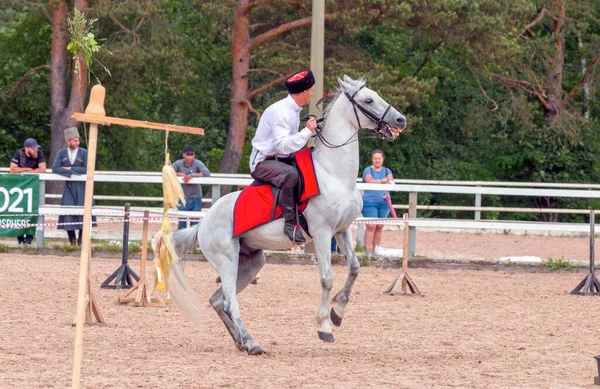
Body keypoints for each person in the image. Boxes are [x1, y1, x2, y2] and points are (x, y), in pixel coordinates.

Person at [249, 69, 318, 243]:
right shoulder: (282, 112)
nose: (312, 93)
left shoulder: (293, 110)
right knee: (291, 174)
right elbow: (282, 146)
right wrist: (307, 132)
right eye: (310, 90)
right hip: (262, 162)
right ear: (302, 92)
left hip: (279, 158)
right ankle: (290, 224)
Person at [52, 127, 93, 246]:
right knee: (68, 211)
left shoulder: (84, 153)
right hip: (69, 187)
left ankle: (81, 241)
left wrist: (70, 169)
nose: (77, 143)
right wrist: (70, 173)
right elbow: (55, 168)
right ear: (68, 141)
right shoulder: (62, 153)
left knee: (83, 212)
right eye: (74, 141)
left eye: (78, 140)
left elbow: (87, 168)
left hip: (82, 187)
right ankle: (72, 241)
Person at [10, 137, 47, 244]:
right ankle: (20, 238)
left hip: (33, 187)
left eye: (36, 148)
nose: (36, 150)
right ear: (27, 149)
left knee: (33, 211)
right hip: (20, 187)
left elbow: (42, 169)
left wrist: (28, 172)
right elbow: (12, 169)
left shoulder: (39, 154)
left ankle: (30, 237)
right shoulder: (19, 153)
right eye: (33, 148)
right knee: (19, 211)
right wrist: (27, 169)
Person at [361, 149, 394, 257]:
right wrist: (383, 181)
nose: (377, 160)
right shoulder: (368, 170)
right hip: (370, 202)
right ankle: (367, 251)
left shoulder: (387, 170)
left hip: (384, 203)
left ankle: (376, 251)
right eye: (375, 158)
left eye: (379, 158)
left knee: (379, 226)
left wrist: (382, 180)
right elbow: (368, 180)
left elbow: (390, 180)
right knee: (371, 226)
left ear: (383, 159)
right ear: (372, 159)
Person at [172, 145, 211, 230]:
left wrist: (192, 175)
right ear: (184, 155)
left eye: (191, 154)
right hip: (183, 197)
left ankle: (194, 242)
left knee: (195, 223)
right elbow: (169, 170)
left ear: (194, 155)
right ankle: (181, 242)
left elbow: (207, 173)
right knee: (182, 222)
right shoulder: (179, 163)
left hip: (196, 197)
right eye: (188, 154)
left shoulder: (198, 163)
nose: (189, 157)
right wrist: (179, 174)